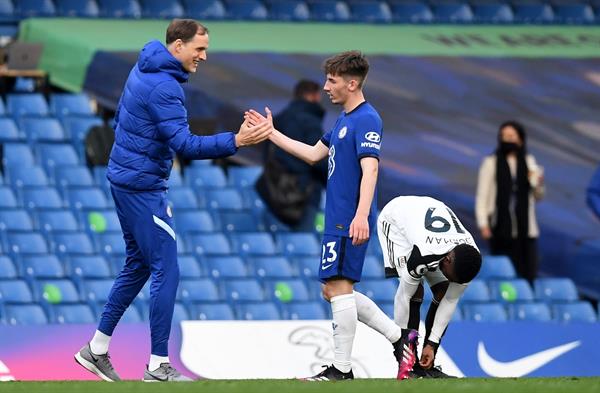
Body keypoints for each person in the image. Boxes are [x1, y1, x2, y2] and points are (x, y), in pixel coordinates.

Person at [74, 19, 272, 382]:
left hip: (126, 177)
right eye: (199, 48)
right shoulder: (165, 87)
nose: (204, 56)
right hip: (142, 187)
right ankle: (157, 365)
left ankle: (96, 349)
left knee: (139, 265)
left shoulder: (144, 64)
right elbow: (186, 145)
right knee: (167, 268)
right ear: (177, 46)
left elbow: (120, 117)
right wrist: (238, 142)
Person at [247, 51, 416, 381]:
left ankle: (342, 370)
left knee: (338, 289)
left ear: (352, 84)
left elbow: (371, 170)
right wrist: (271, 133)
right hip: (337, 218)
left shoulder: (367, 119)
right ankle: (400, 339)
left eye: (332, 81)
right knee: (334, 290)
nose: (326, 87)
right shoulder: (344, 120)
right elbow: (313, 154)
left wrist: (361, 216)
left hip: (348, 219)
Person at [378, 195, 482, 378]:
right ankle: (410, 364)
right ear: (447, 259)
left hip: (426, 220)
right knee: (415, 289)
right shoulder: (424, 255)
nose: (453, 282)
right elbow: (403, 298)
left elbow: (450, 300)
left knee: (443, 291)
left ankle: (426, 364)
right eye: (452, 277)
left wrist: (432, 344)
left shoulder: (470, 258)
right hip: (396, 221)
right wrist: (403, 350)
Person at [475, 121, 544, 283]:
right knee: (502, 273)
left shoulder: (528, 162)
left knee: (528, 272)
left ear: (520, 139)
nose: (508, 140)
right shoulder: (491, 162)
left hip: (526, 229)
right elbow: (482, 195)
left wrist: (537, 182)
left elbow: (538, 196)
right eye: (504, 136)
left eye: (511, 136)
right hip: (501, 227)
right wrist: (483, 224)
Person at [257, 79, 327, 230]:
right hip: (304, 196)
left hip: (274, 192)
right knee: (302, 247)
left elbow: (267, 155)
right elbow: (319, 159)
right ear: (314, 96)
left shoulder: (280, 118)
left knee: (274, 248)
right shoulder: (310, 122)